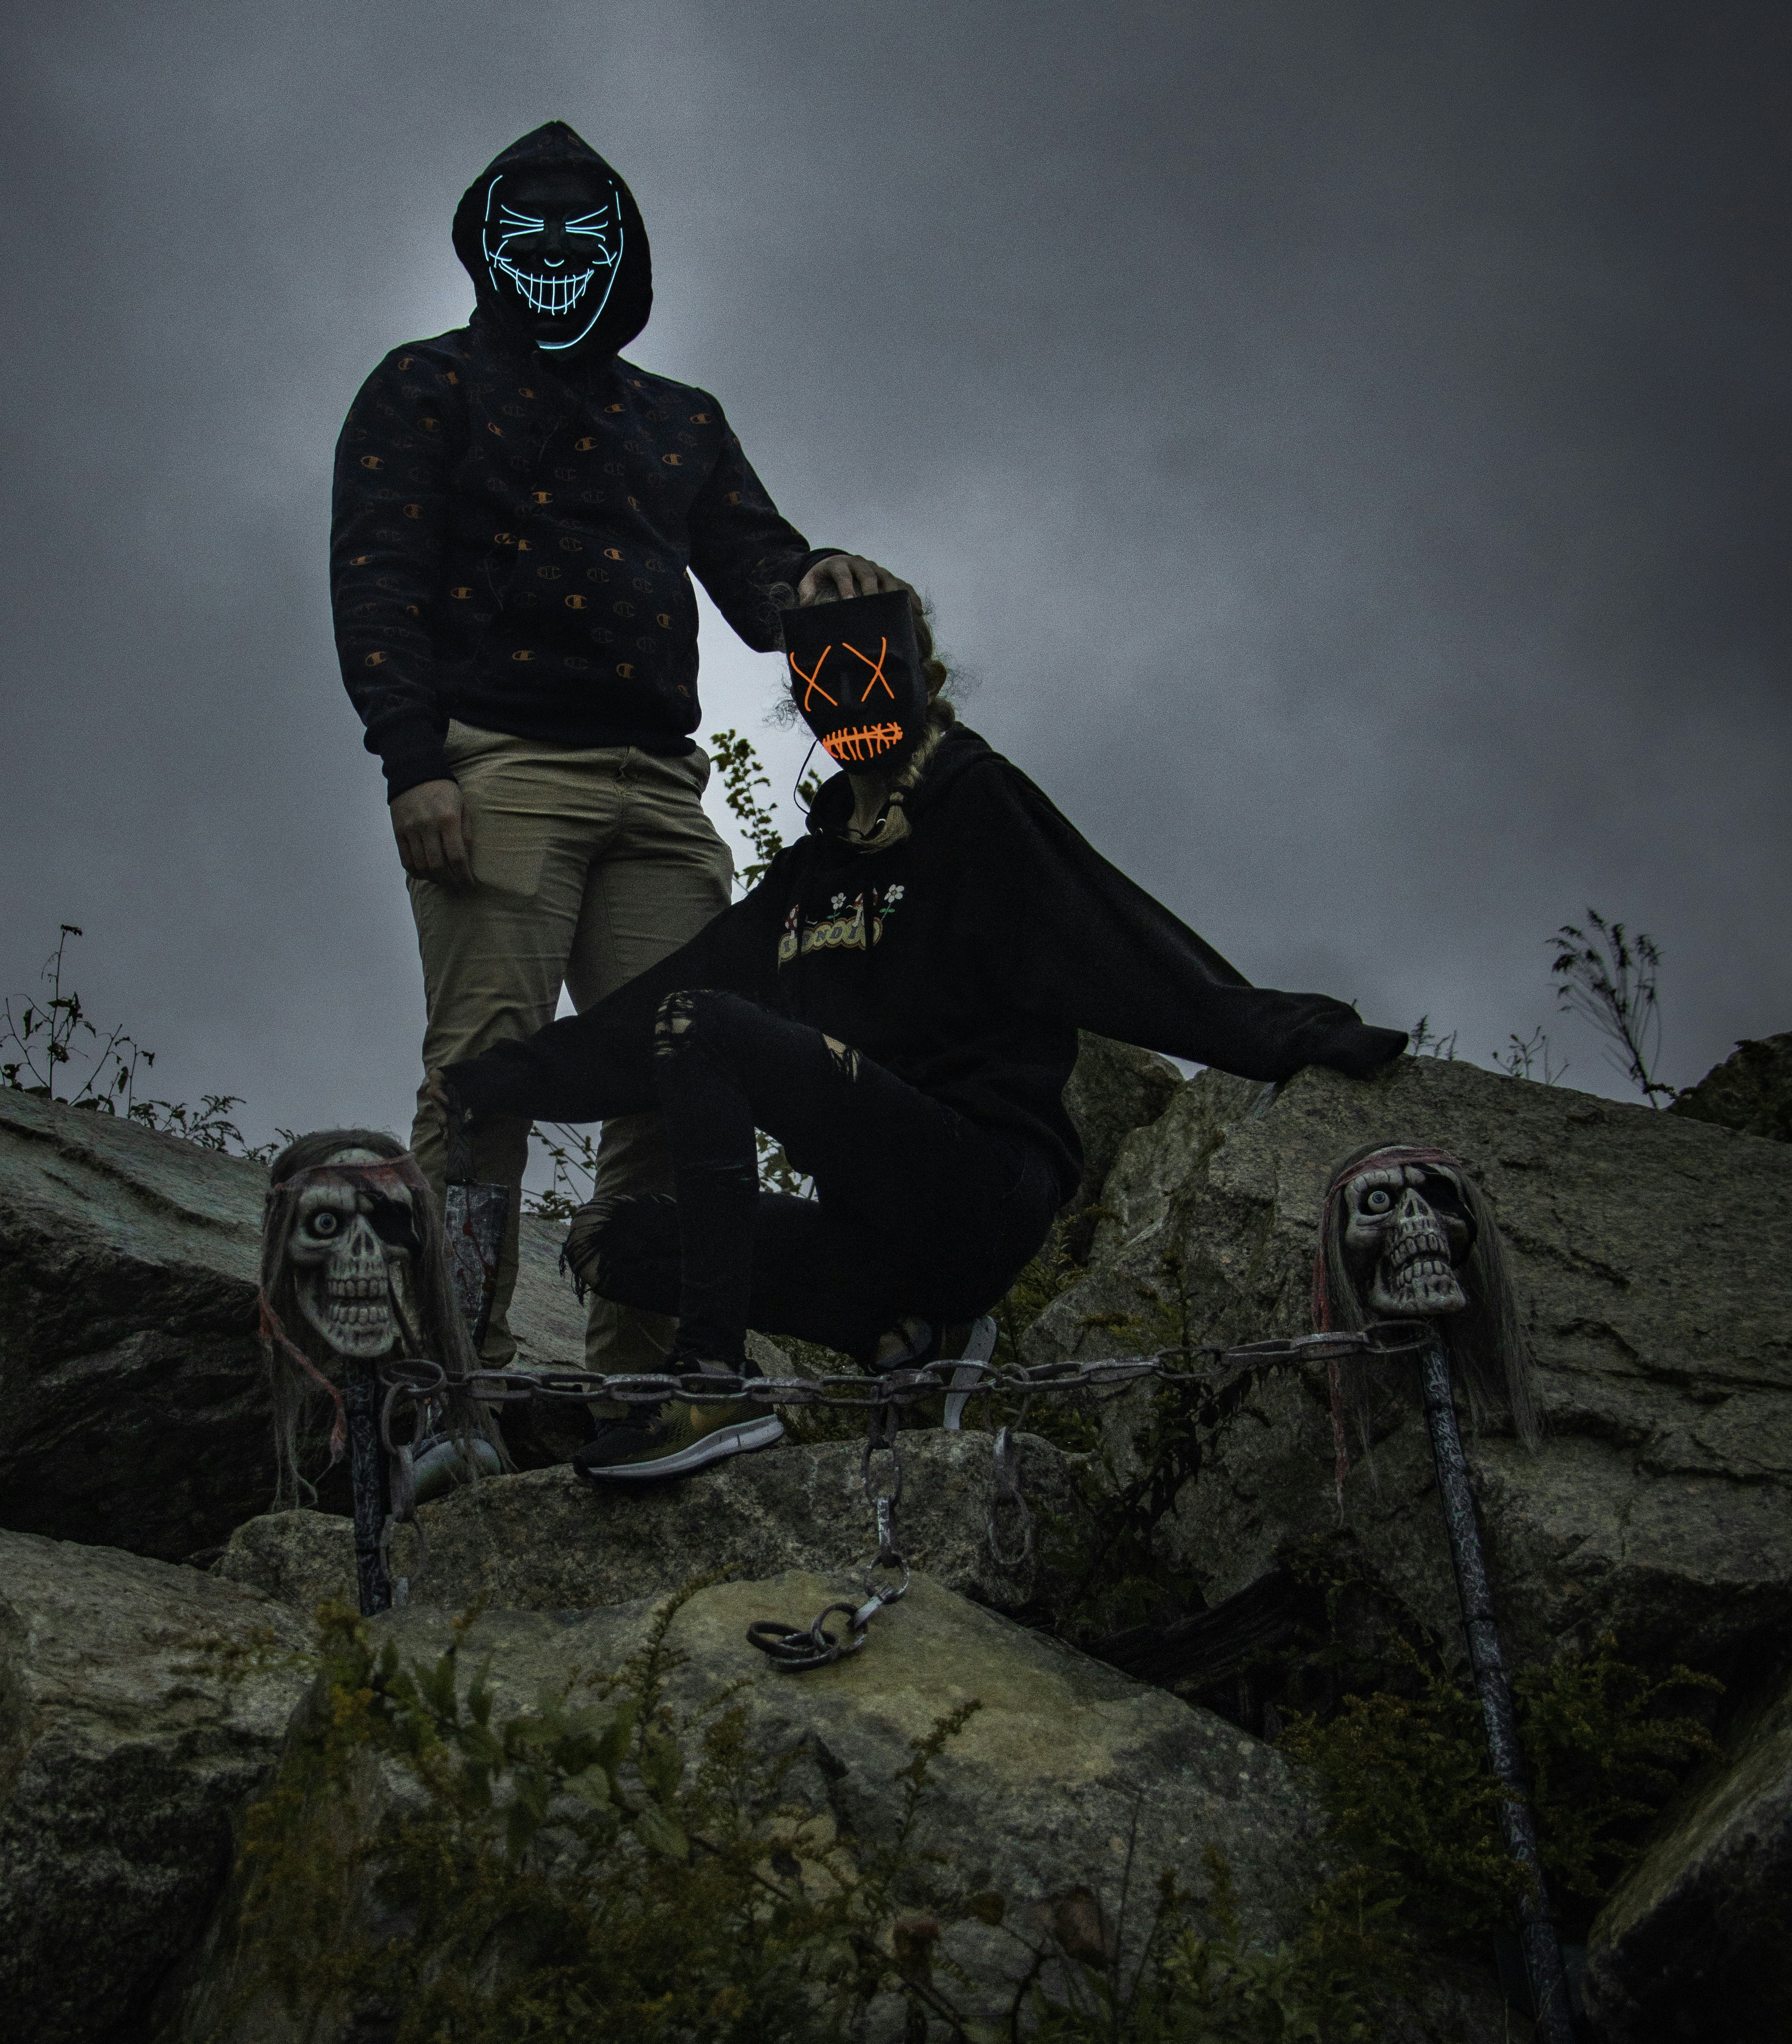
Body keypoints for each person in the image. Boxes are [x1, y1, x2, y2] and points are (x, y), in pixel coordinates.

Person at [443, 573, 1411, 1483]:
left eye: (874, 673)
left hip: (979, 1187)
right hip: (876, 1231)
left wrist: (1294, 1033)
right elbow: (644, 1017)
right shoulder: (809, 879)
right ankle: (908, 1336)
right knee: (616, 1238)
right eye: (825, 682)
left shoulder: (977, 806)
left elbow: (1125, 942)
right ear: (800, 698)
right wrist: (499, 1076)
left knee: (705, 1027)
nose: (851, 698)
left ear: (928, 680)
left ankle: (712, 1388)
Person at [331, 118, 898, 1370]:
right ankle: (451, 1373)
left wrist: (824, 581)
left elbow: (760, 577)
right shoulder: (424, 387)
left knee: (687, 1070)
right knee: (487, 1074)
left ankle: (641, 1379)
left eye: (581, 235)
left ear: (624, 252)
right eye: (520, 231)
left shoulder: (678, 420)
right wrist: (413, 761)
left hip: (659, 786)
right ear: (485, 245)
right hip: (501, 768)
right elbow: (377, 578)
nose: (550, 254)